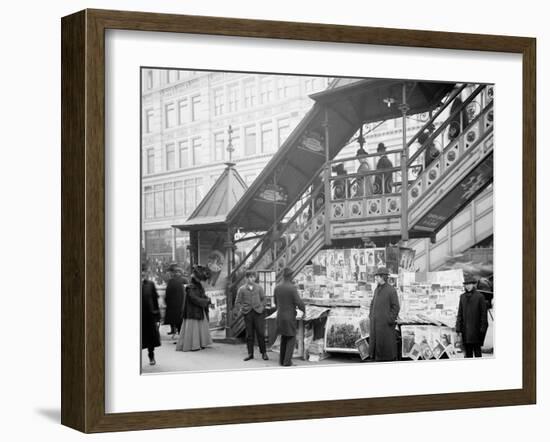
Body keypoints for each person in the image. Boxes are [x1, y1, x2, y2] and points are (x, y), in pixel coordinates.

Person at [175, 265, 213, 352]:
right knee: (194, 328)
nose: (201, 281)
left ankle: (199, 343)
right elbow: (194, 299)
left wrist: (206, 299)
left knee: (199, 327)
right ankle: (194, 345)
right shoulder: (190, 287)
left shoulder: (197, 285)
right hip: (192, 312)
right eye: (200, 279)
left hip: (197, 310)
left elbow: (201, 295)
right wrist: (205, 301)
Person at [273, 267, 306, 367]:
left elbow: (275, 302)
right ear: (290, 276)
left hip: (280, 316)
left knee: (284, 338)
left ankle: (281, 360)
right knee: (291, 338)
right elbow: (298, 302)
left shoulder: (277, 287)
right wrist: (304, 311)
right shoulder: (292, 288)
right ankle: (287, 362)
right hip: (289, 317)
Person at [235, 270, 269, 361]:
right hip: (248, 314)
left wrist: (261, 307)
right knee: (249, 335)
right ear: (246, 278)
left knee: (260, 334)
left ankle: (264, 353)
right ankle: (250, 354)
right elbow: (237, 302)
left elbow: (264, 299)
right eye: (250, 277)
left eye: (253, 277)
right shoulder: (241, 289)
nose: (252, 279)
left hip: (258, 313)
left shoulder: (259, 288)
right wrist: (242, 309)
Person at [368, 266, 400, 362]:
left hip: (385, 325)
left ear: (382, 277)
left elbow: (396, 307)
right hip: (375, 323)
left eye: (377, 276)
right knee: (377, 345)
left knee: (385, 348)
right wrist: (371, 314)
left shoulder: (391, 290)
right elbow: (372, 303)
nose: (376, 278)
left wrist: (389, 319)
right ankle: (376, 357)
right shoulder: (377, 289)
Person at [455, 275, 488, 358]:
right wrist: (458, 328)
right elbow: (460, 314)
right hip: (465, 331)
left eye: (469, 284)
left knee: (477, 353)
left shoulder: (480, 297)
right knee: (468, 354)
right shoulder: (462, 297)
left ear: (473, 284)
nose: (468, 286)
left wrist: (482, 329)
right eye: (466, 284)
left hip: (477, 331)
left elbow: (484, 315)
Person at [142, 269, 161, 365]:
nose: (142, 274)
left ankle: (151, 356)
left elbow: (155, 300)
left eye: (143, 272)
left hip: (149, 316)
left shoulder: (150, 284)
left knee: (150, 339)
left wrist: (157, 315)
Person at [164, 265, 187, 339]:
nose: (177, 273)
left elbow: (186, 290)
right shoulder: (172, 280)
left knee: (178, 319)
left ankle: (179, 332)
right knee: (174, 318)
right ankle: (174, 330)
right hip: (175, 302)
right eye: (176, 272)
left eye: (178, 272)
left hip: (179, 302)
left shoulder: (183, 280)